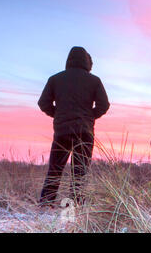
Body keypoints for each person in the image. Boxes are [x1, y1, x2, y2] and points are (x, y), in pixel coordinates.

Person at [38, 46, 110, 207]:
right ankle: (76, 205)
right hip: (84, 132)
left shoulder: (55, 79)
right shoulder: (94, 80)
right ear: (87, 61)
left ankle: (46, 204)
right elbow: (104, 105)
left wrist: (57, 114)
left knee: (55, 169)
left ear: (69, 60)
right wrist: (90, 116)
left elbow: (43, 103)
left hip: (62, 132)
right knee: (80, 171)